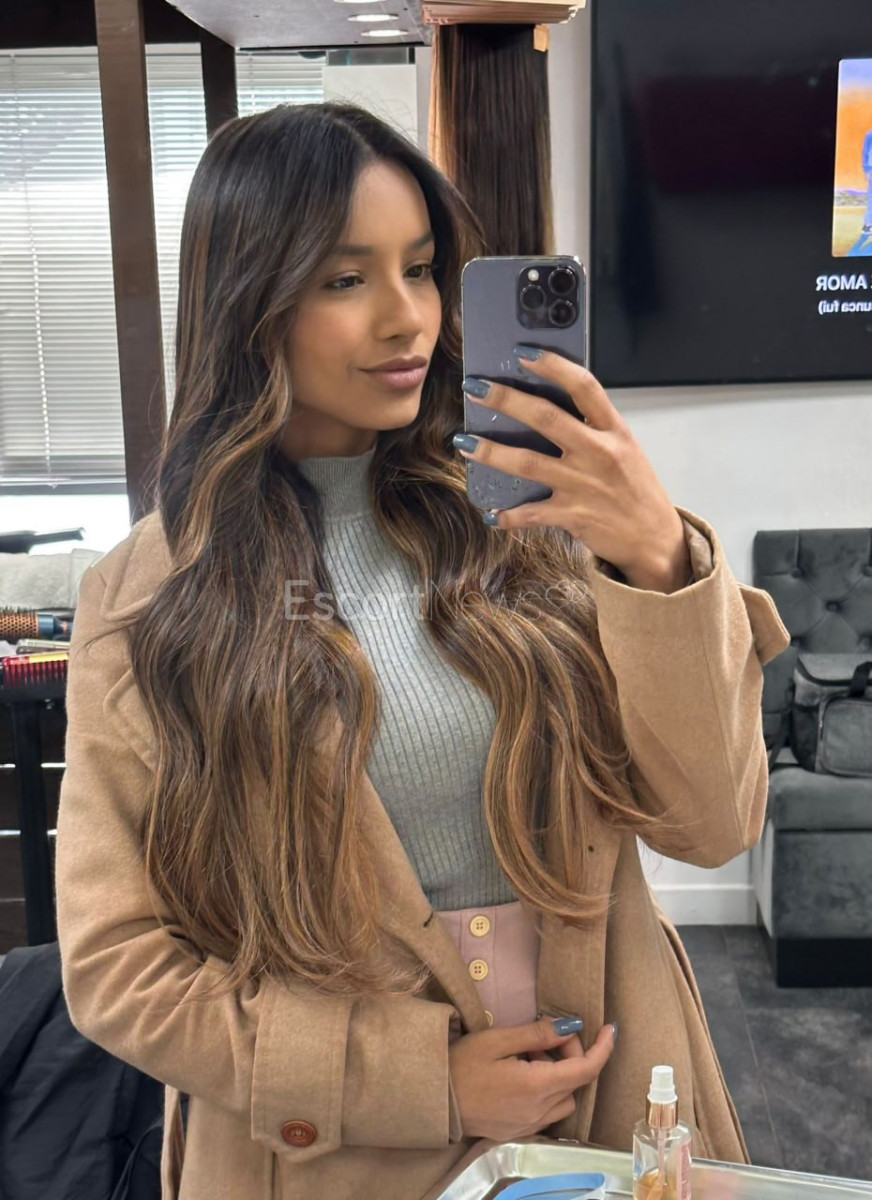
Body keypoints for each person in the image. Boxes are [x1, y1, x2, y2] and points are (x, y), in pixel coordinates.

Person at [55, 102, 789, 1200]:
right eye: (344, 279)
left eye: (420, 269)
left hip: (611, 1102)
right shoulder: (151, 597)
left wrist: (655, 559)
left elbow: (712, 824)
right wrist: (421, 1081)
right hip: (337, 1151)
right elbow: (117, 967)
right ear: (249, 301)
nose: (406, 318)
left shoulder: (530, 527)